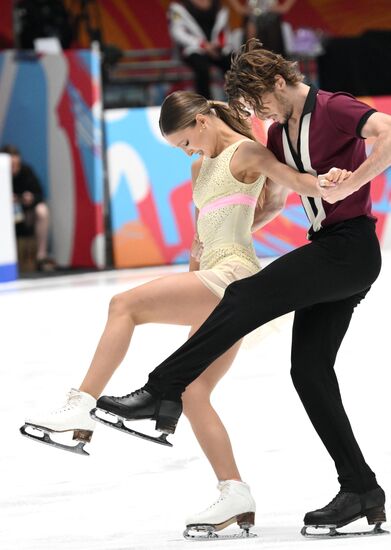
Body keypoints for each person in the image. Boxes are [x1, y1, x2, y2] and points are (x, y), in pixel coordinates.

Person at [97, 40, 391, 536]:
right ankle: (360, 488)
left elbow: (386, 133)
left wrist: (353, 181)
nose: (259, 114)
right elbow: (276, 200)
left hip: (349, 249)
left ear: (279, 82)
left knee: (243, 296)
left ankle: (161, 389)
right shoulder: (278, 133)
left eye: (261, 103)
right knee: (310, 372)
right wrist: (226, 230)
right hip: (330, 248)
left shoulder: (334, 107)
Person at [21, 90, 345, 536]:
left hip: (233, 276)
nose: (189, 152)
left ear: (202, 120)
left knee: (124, 305)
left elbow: (289, 185)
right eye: (180, 149)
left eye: (186, 142)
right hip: (209, 273)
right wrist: (198, 261)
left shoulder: (246, 151)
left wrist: (327, 181)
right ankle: (235, 494)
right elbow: (208, 231)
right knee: (194, 392)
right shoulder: (200, 167)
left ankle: (81, 407)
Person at [0, 145, 55, 272]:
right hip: (5, 216)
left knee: (42, 210)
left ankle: (41, 255)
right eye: (10, 165)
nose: (13, 168)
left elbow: (39, 194)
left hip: (25, 215)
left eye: (15, 164)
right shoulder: (1, 175)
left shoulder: (26, 171)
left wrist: (30, 198)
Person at [168, 0, 233, 98]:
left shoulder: (219, 7)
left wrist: (217, 45)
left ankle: (237, 100)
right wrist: (203, 45)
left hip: (216, 49)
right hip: (192, 49)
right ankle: (205, 103)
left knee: (234, 63)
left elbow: (224, 31)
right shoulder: (178, 8)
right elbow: (178, 33)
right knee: (202, 68)